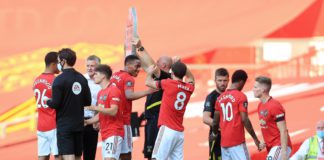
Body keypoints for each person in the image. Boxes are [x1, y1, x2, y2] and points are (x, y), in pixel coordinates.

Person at [131, 37, 173, 159]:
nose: (155, 63)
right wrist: (134, 54)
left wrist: (140, 47)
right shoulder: (157, 77)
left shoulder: (167, 77)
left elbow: (150, 65)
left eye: (158, 62)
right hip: (151, 119)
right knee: (150, 154)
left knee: (156, 154)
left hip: (158, 120)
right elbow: (147, 66)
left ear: (163, 65)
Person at [46, 48, 91, 160]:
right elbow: (87, 102)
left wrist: (48, 101)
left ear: (63, 61)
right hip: (79, 124)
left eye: (58, 61)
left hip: (65, 125)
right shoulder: (82, 78)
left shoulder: (59, 80)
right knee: (77, 156)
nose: (57, 64)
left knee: (68, 155)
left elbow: (55, 103)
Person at [145, 61, 195, 160]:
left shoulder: (168, 83)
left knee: (156, 158)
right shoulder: (189, 88)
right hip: (179, 133)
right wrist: (183, 66)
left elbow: (148, 83)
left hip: (167, 129)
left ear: (172, 74)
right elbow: (191, 78)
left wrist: (149, 72)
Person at [110, 55, 154, 160]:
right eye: (136, 66)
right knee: (126, 153)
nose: (138, 69)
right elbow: (129, 95)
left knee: (115, 153)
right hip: (124, 121)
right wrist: (148, 91)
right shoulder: (128, 78)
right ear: (128, 65)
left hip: (113, 120)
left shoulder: (115, 75)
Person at [212, 69, 260, 160]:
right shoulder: (241, 96)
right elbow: (244, 119)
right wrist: (255, 138)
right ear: (242, 82)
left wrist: (214, 134)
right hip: (237, 143)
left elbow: (215, 122)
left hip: (224, 144)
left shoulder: (220, 98)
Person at [84, 64, 124, 160]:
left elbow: (113, 111)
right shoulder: (100, 92)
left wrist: (95, 108)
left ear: (103, 76)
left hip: (114, 132)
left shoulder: (114, 90)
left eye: (96, 74)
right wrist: (87, 122)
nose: (94, 76)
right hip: (105, 133)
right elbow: (101, 114)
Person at [253, 76, 292, 160]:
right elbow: (267, 126)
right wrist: (263, 142)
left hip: (280, 146)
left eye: (255, 87)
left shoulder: (275, 106)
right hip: (272, 147)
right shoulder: (260, 105)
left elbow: (283, 130)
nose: (253, 89)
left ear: (263, 89)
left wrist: (284, 152)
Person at [33, 52, 61, 160]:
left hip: (41, 125)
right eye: (59, 63)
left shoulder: (36, 80)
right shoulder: (55, 80)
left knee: (42, 156)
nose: (60, 66)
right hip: (53, 124)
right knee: (59, 156)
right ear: (53, 64)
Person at [203, 68, 229, 160]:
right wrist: (222, 126)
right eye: (220, 80)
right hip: (217, 138)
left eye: (225, 80)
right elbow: (206, 118)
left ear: (228, 80)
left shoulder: (232, 95)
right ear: (215, 81)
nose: (222, 83)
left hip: (231, 137)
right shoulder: (211, 97)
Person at [83, 55, 101, 160]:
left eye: (92, 66)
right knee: (76, 154)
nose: (89, 68)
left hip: (93, 121)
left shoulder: (101, 82)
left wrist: (97, 119)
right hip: (79, 120)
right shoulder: (81, 79)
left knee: (90, 154)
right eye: (88, 65)